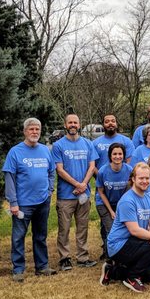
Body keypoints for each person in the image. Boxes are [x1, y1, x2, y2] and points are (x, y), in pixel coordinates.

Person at [101, 163, 150, 293]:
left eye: (147, 178)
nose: (145, 181)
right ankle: (131, 278)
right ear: (133, 179)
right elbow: (134, 230)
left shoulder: (148, 198)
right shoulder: (128, 200)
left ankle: (112, 271)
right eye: (141, 178)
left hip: (134, 242)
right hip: (119, 245)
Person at [2, 118, 57, 282]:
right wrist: (13, 202)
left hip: (42, 202)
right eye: (31, 129)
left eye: (37, 129)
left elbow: (51, 171)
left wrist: (49, 190)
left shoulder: (45, 150)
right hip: (22, 204)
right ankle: (18, 269)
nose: (35, 132)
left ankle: (42, 266)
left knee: (40, 236)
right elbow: (9, 177)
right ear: (25, 131)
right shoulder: (15, 152)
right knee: (18, 237)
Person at [52, 113, 98, 271]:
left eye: (75, 122)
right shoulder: (58, 145)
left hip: (84, 194)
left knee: (83, 227)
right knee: (64, 228)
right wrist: (77, 184)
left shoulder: (87, 143)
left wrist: (84, 184)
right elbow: (59, 169)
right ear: (65, 125)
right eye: (70, 122)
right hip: (66, 195)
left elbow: (92, 166)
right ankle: (64, 258)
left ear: (79, 125)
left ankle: (82, 257)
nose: (73, 125)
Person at [95, 143, 132, 260]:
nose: (117, 156)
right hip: (104, 203)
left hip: (121, 202)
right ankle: (110, 256)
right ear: (110, 156)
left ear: (124, 156)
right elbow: (101, 192)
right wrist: (111, 211)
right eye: (114, 154)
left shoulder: (129, 170)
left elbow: (130, 191)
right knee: (111, 229)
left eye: (120, 154)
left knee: (123, 228)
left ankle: (115, 251)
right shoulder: (102, 171)